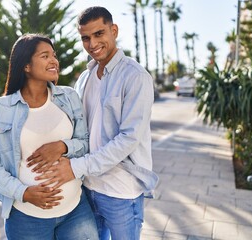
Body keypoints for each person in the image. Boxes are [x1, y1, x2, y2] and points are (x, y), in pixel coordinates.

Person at [27, 7, 159, 240]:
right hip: (87, 189)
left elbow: (128, 139)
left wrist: (75, 168)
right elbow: (80, 131)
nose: (92, 43)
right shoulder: (85, 79)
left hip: (121, 193)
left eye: (99, 34)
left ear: (113, 30)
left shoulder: (135, 76)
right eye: (86, 38)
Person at [0, 33, 98, 240]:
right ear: (26, 66)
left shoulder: (69, 97)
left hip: (76, 211)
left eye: (54, 55)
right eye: (45, 56)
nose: (54, 61)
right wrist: (23, 192)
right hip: (26, 218)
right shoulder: (0, 109)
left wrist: (62, 146)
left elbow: (85, 143)